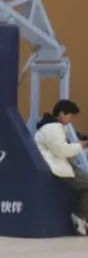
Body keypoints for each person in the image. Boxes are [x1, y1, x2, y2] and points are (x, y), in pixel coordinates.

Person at [34, 99, 88, 235]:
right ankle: (80, 216)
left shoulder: (51, 127)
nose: (70, 120)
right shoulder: (53, 128)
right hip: (57, 167)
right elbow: (61, 150)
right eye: (70, 116)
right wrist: (80, 145)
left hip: (59, 164)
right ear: (62, 114)